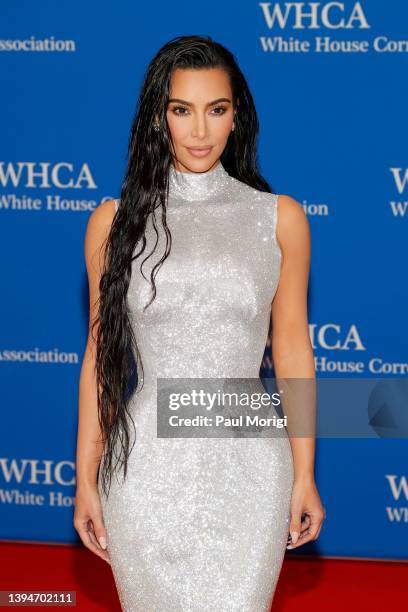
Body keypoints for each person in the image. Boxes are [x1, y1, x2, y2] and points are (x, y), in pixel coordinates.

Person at [74, 34, 325, 611]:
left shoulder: (277, 219)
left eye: (217, 109)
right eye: (181, 110)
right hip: (146, 469)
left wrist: (305, 471)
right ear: (158, 118)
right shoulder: (114, 224)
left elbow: (291, 351)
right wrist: (85, 476)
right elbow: (100, 360)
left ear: (238, 116)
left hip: (251, 465)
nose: (200, 130)